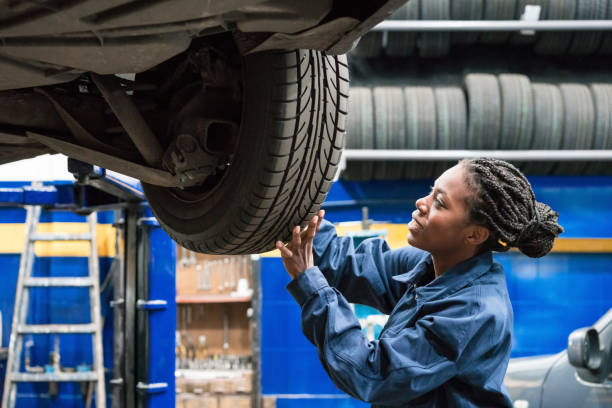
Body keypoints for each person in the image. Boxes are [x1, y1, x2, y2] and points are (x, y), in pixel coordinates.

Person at [275, 158, 564, 408]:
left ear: (474, 235)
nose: (421, 203)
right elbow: (350, 265)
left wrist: (310, 283)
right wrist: (292, 202)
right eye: (431, 192)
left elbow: (372, 373)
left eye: (440, 202)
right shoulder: (426, 265)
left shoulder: (473, 312)